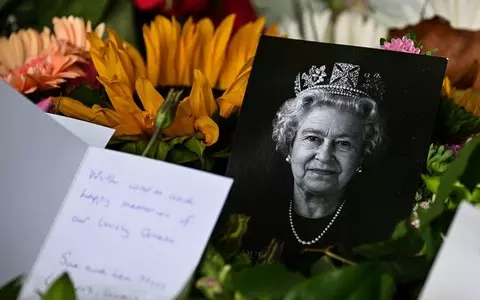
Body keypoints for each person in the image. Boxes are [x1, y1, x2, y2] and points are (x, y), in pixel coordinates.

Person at [270, 63, 385, 261]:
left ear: (361, 156)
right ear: (290, 144)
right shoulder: (253, 219)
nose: (324, 156)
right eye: (313, 138)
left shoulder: (377, 236)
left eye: (343, 143)